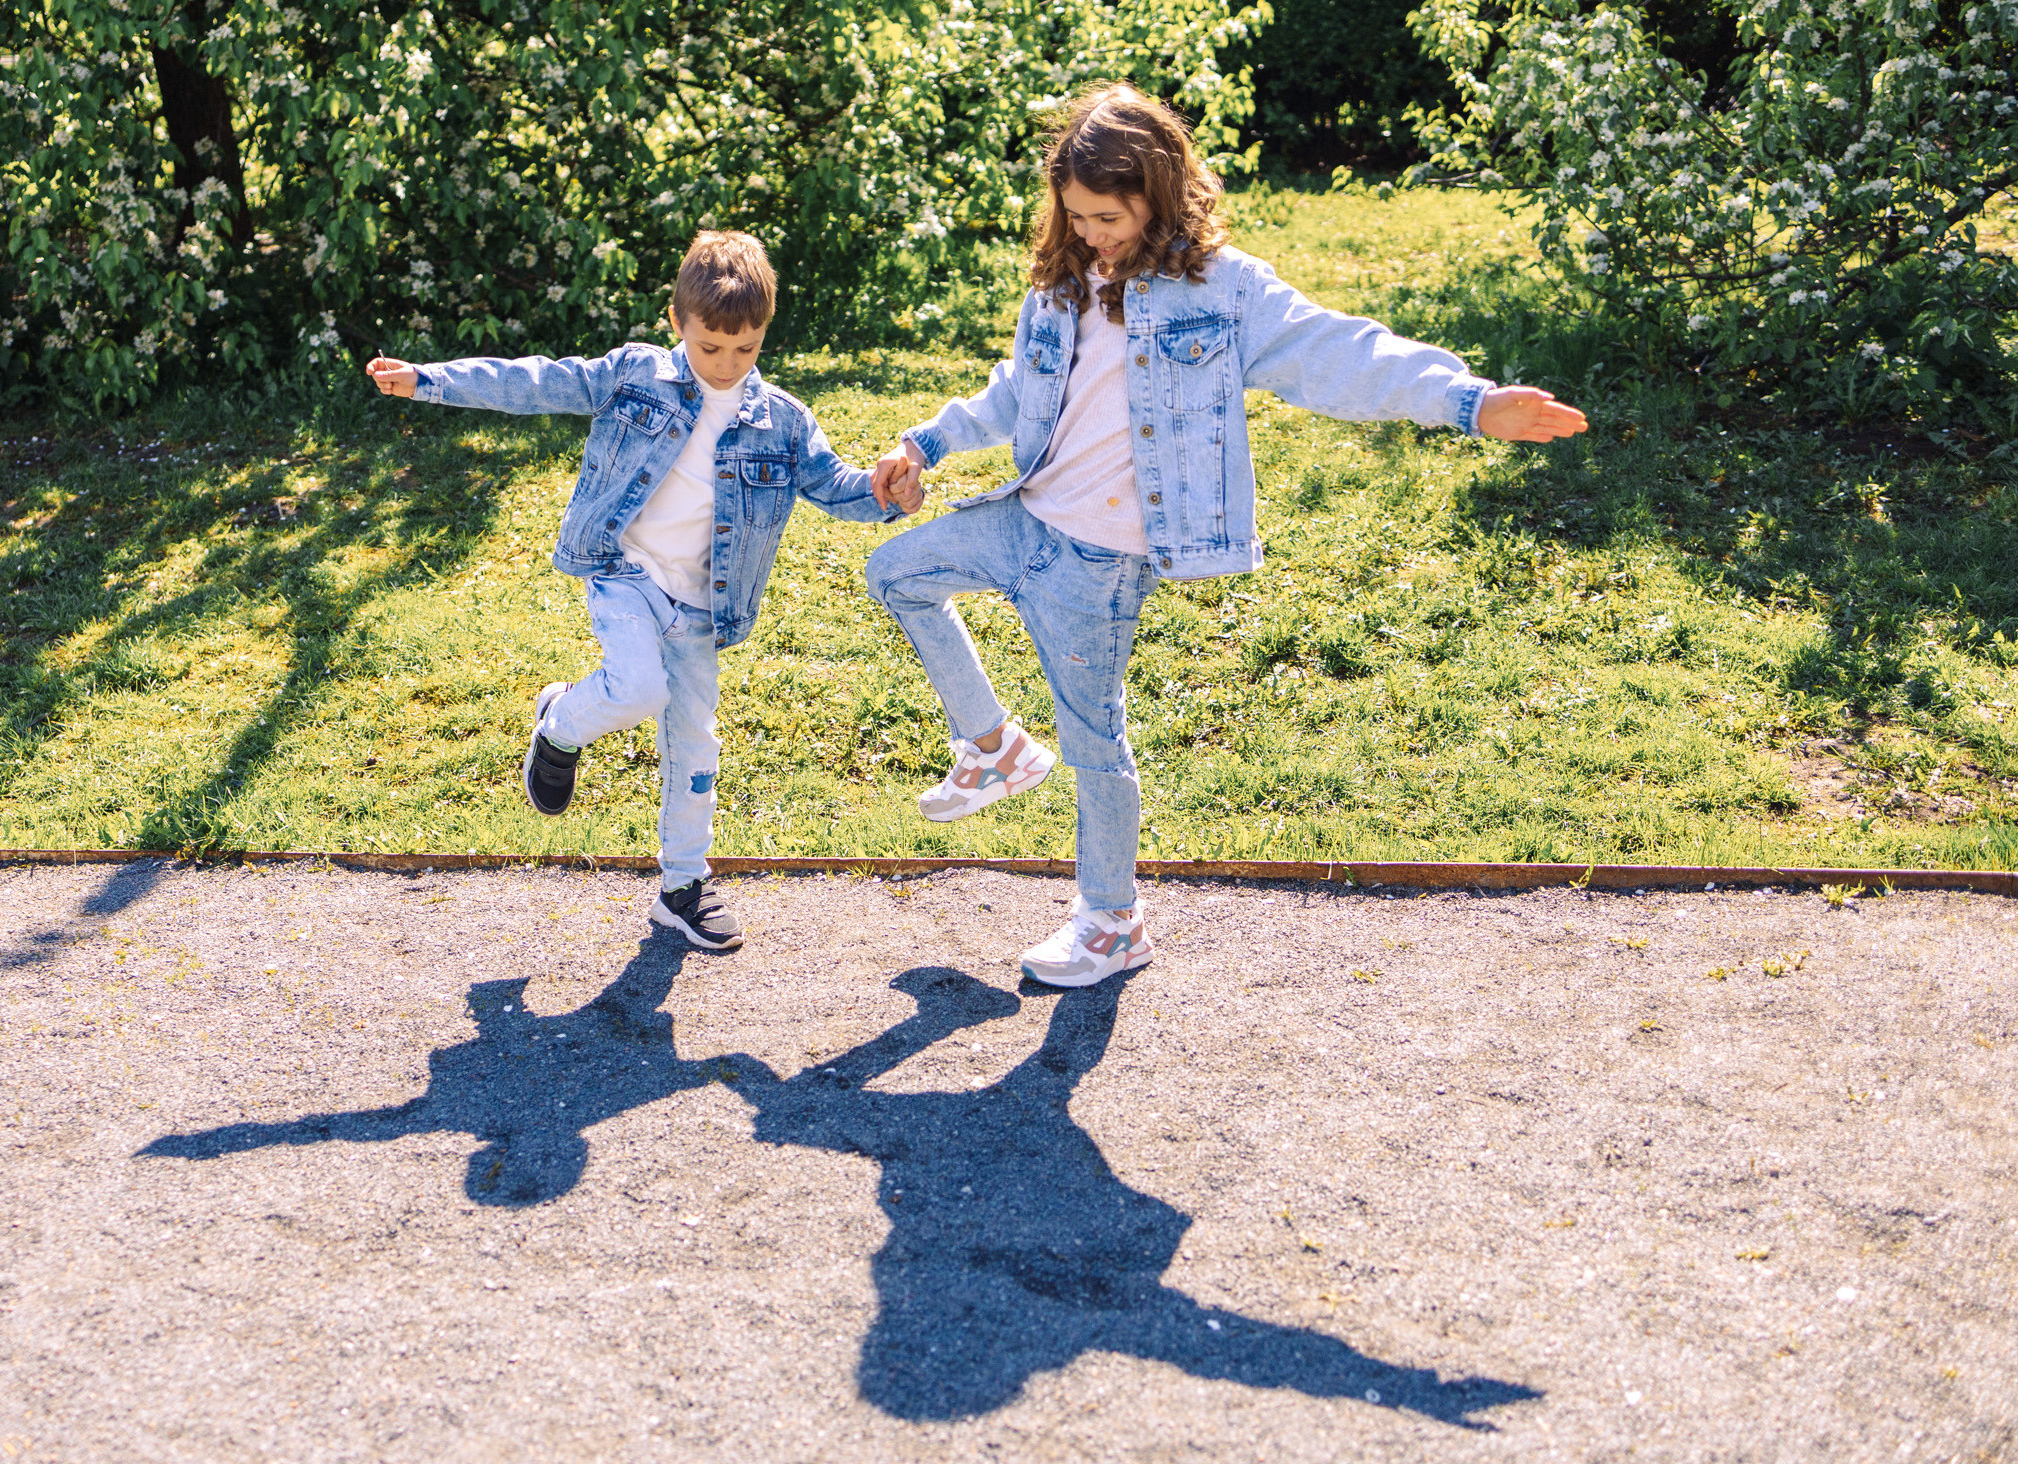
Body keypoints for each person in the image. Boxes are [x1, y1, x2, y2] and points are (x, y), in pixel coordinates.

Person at [865, 83, 1588, 989]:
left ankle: (1111, 923)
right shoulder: (1061, 285)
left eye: (1110, 217)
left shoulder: (1223, 292)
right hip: (1024, 518)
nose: (1093, 234)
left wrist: (1469, 402)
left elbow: (1339, 354)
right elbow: (1020, 390)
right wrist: (926, 441)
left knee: (1093, 743)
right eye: (1078, 215)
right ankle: (995, 746)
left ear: (1159, 192)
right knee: (895, 573)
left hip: (1100, 562)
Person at [367, 231, 905, 951]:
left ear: (763, 335)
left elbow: (836, 489)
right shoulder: (634, 376)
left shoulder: (782, 421)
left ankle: (683, 887)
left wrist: (886, 492)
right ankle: (560, 723)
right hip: (624, 571)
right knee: (638, 689)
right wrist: (430, 379)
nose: (726, 364)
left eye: (745, 350)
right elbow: (536, 382)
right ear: (677, 322)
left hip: (702, 607)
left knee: (696, 745)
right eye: (711, 347)